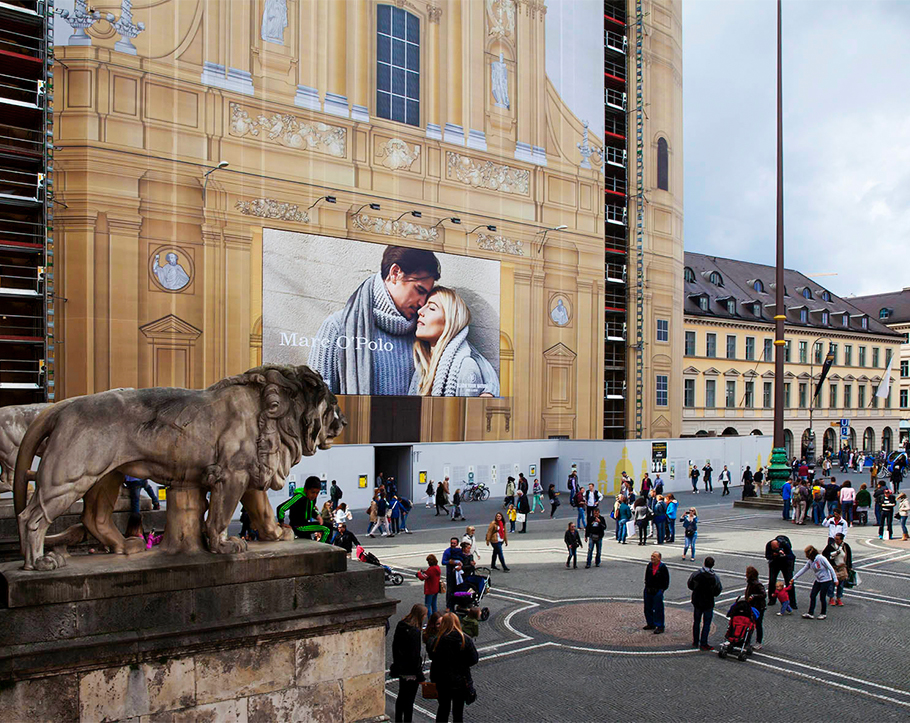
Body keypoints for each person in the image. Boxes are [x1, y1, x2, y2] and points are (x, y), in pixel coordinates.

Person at [309, 245, 440, 396]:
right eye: (419, 290)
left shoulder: (423, 332)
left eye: (427, 295)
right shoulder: (337, 328)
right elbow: (314, 405)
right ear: (395, 273)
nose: (422, 303)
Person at [408, 286, 500, 397]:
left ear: (450, 322)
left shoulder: (466, 367)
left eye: (432, 308)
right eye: (423, 306)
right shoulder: (422, 368)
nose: (420, 311)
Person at [428, 613, 479, 722]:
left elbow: (432, 657)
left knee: (443, 709)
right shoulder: (465, 639)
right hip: (460, 681)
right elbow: (474, 659)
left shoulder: (438, 640)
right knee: (458, 712)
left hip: (442, 680)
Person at [391, 604, 427, 723]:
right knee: (409, 700)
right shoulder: (415, 631)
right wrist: (420, 675)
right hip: (411, 671)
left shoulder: (401, 625)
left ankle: (398, 720)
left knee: (401, 696)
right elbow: (415, 655)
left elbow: (395, 646)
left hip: (401, 667)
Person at [277, 476, 329, 540]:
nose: (315, 495)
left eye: (317, 493)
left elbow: (311, 509)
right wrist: (282, 523)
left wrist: (318, 516)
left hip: (306, 524)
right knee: (326, 529)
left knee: (328, 525)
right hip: (299, 527)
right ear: (305, 490)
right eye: (313, 492)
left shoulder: (312, 499)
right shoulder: (299, 497)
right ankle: (323, 548)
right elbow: (281, 508)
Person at [688, 557, 723, 651]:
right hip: (708, 602)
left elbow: (690, 584)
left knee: (696, 621)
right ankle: (704, 643)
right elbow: (718, 589)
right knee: (707, 623)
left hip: (697, 601)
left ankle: (695, 641)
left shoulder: (697, 574)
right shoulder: (715, 577)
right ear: (713, 565)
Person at [792, 545, 836, 620]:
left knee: (822, 597)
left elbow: (830, 568)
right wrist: (794, 578)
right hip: (818, 580)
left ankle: (823, 613)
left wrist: (835, 579)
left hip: (826, 580)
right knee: (812, 595)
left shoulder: (821, 558)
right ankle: (810, 613)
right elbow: (804, 569)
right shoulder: (810, 561)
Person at [765, 535, 799, 610]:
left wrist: (785, 555)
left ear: (779, 545)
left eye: (777, 548)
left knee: (789, 581)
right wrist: (774, 555)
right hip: (774, 563)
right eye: (774, 549)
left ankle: (792, 602)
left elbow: (792, 556)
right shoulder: (769, 545)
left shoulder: (785, 544)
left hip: (786, 563)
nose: (776, 550)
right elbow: (767, 556)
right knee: (772, 581)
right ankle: (772, 599)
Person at [643, 551, 670, 634]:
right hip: (648, 589)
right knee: (647, 608)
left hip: (657, 590)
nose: (652, 558)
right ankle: (650, 623)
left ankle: (660, 625)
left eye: (654, 557)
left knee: (658, 609)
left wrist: (662, 590)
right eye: (652, 556)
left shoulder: (662, 567)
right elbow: (647, 576)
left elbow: (666, 580)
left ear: (659, 558)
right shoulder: (649, 566)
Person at [822, 533, 852, 606]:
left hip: (842, 567)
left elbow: (849, 557)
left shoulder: (845, 546)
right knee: (831, 584)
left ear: (841, 539)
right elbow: (824, 554)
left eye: (838, 539)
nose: (836, 541)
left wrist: (849, 567)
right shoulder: (830, 546)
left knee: (841, 584)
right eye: (835, 539)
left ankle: (839, 598)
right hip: (833, 567)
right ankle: (831, 598)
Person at [744, 566, 767, 650]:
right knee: (753, 623)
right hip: (754, 606)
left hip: (758, 607)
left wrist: (754, 596)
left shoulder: (757, 584)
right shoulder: (751, 583)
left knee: (758, 624)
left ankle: (758, 642)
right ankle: (749, 640)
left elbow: (763, 594)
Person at [441, 538, 464, 612]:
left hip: (459, 574)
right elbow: (443, 562)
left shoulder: (460, 551)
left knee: (458, 589)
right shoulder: (447, 551)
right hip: (450, 574)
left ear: (457, 544)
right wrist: (450, 562)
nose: (452, 544)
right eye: (451, 543)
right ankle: (448, 606)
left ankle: (458, 605)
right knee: (450, 590)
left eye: (454, 543)